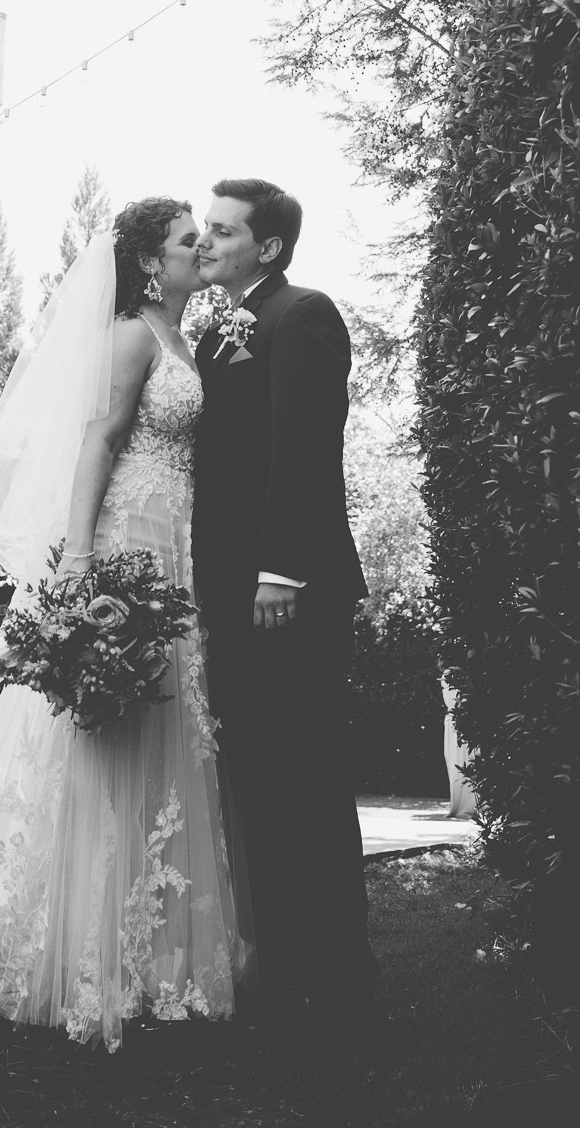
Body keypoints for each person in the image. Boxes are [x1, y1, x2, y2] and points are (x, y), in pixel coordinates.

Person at [0, 198, 250, 1051]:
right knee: (97, 735)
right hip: (125, 543)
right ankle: (71, 952)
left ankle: (151, 951)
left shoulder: (188, 338)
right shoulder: (132, 335)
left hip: (174, 546)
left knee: (159, 730)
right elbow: (97, 441)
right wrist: (79, 564)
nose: (202, 251)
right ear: (152, 263)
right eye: (190, 242)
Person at [193, 177, 373, 1029]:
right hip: (230, 590)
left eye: (223, 232)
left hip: (285, 592)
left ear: (266, 247)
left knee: (307, 773)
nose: (207, 242)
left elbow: (305, 447)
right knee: (261, 777)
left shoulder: (302, 314)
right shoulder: (218, 329)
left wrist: (280, 573)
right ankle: (286, 962)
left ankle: (337, 976)